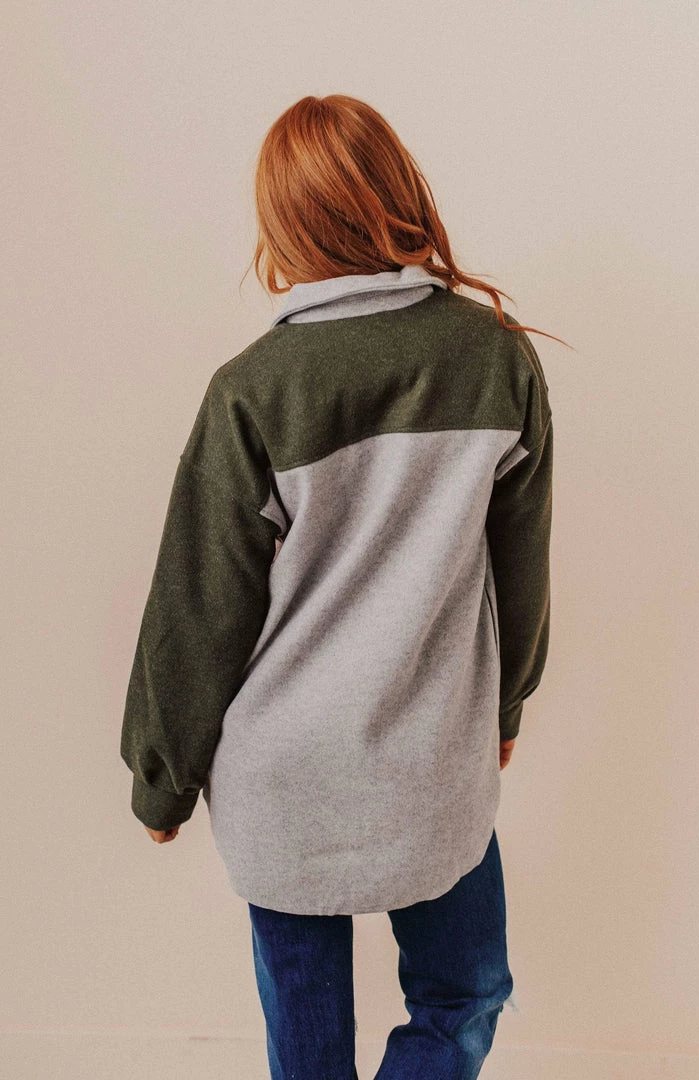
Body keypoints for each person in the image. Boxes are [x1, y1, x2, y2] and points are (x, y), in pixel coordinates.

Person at [120, 93, 567, 1079]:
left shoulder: (253, 388)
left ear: (283, 224)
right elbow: (522, 567)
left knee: (308, 1046)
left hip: (282, 777)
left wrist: (162, 776)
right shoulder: (495, 357)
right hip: (432, 759)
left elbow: (197, 609)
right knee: (463, 997)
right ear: (400, 192)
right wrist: (507, 705)